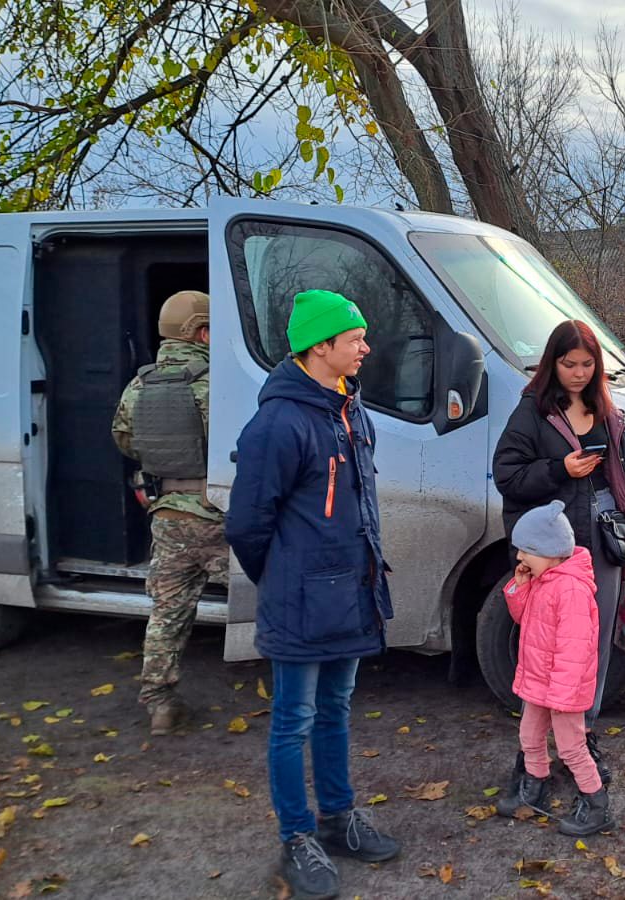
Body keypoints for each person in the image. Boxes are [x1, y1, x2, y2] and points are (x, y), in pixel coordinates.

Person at [226, 289, 400, 900]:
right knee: (293, 720)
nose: (364, 348)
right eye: (354, 339)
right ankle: (296, 836)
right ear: (319, 346)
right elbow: (247, 525)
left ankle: (337, 816)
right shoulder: (278, 422)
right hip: (300, 601)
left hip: (350, 592)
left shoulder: (351, 409)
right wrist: (283, 577)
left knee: (335, 710)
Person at [492, 320, 625, 786]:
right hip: (552, 548)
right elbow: (507, 476)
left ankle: (580, 734)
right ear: (551, 363)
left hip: (603, 539)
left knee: (593, 645)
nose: (579, 373)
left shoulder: (606, 409)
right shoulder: (532, 411)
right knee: (543, 644)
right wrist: (560, 468)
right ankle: (534, 747)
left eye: (587, 364)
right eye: (569, 364)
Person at [111, 289, 229, 736]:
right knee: (270, 598)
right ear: (201, 331)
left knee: (167, 612)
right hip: (218, 513)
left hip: (168, 516)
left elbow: (124, 439)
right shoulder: (216, 382)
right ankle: (297, 691)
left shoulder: (139, 385)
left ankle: (160, 704)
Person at [494, 500, 615, 837]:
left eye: (526, 551)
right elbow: (526, 619)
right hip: (538, 681)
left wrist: (561, 694)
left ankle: (596, 803)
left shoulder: (572, 589)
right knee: (529, 736)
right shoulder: (543, 580)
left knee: (572, 747)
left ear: (550, 551)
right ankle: (534, 789)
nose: (520, 558)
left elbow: (575, 648)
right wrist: (520, 587)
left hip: (562, 688)